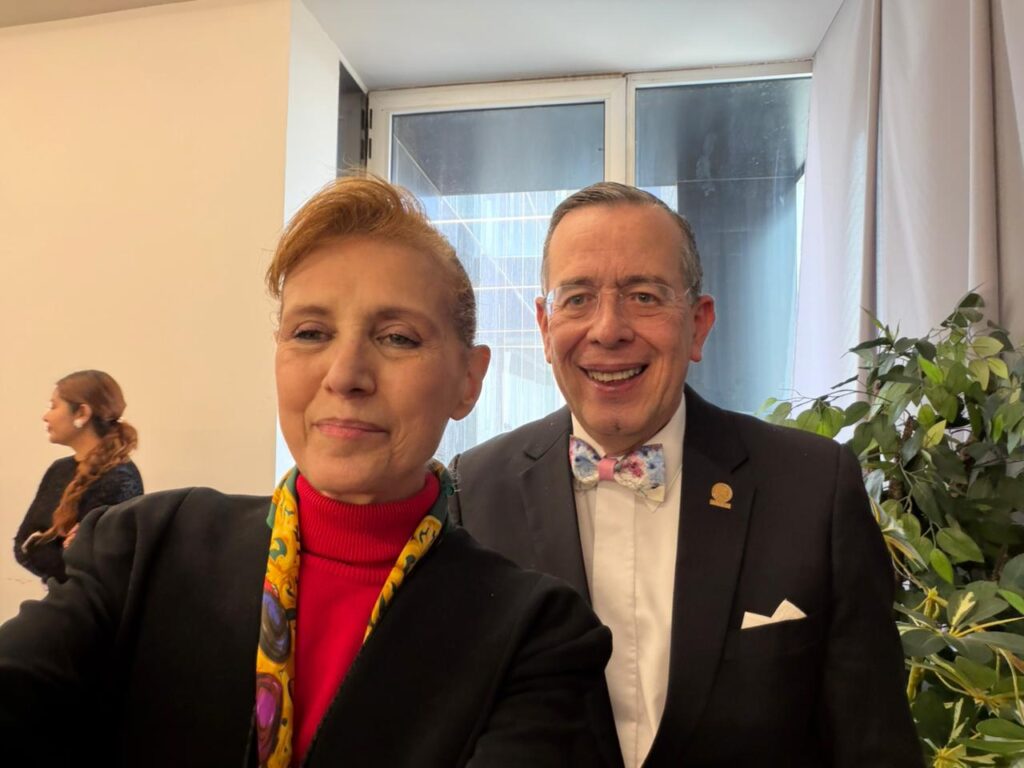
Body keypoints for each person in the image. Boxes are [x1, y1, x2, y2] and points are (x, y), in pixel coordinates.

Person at [0, 176, 611, 768]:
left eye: (397, 338)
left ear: (468, 380)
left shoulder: (534, 632)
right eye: (311, 332)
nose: (344, 375)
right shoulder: (143, 548)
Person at [449, 182, 923, 767]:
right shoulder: (475, 491)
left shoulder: (813, 488)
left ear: (698, 325)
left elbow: (875, 746)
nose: (608, 329)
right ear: (545, 327)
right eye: (577, 299)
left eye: (644, 296)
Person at [14, 370, 143, 583]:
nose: (45, 416)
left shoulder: (120, 479)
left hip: (90, 603)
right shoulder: (59, 470)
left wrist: (39, 545)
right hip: (61, 596)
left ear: (82, 413)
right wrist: (53, 550)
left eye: (53, 406)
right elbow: (22, 546)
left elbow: (94, 569)